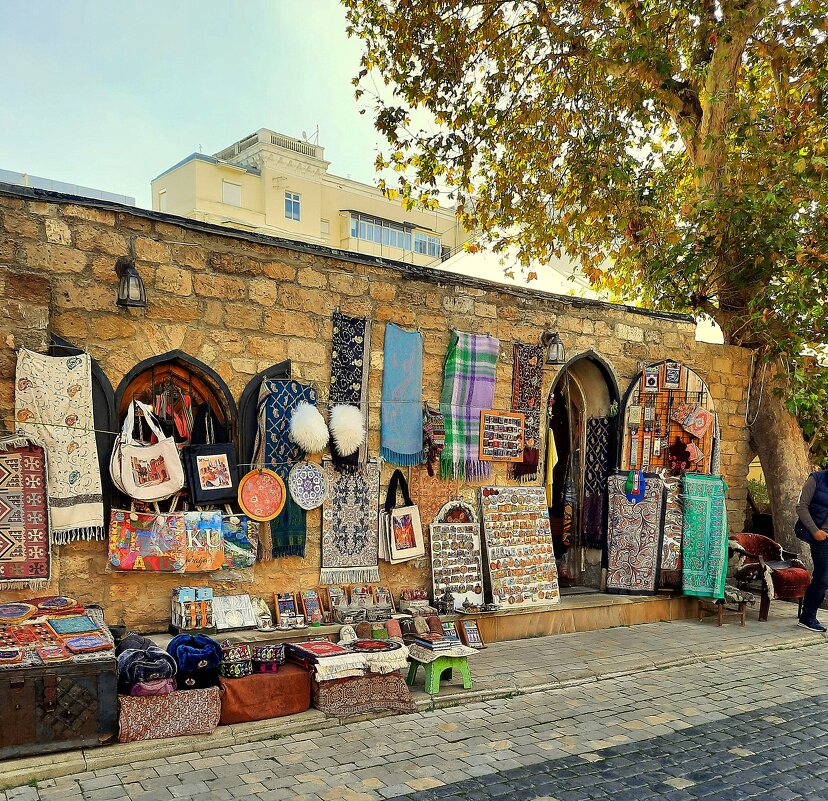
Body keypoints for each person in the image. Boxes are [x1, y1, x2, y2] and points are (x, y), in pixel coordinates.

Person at [796, 468, 828, 632]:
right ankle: (808, 616)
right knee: (822, 577)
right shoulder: (816, 479)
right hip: (821, 535)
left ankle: (808, 614)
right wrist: (815, 531)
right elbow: (801, 507)